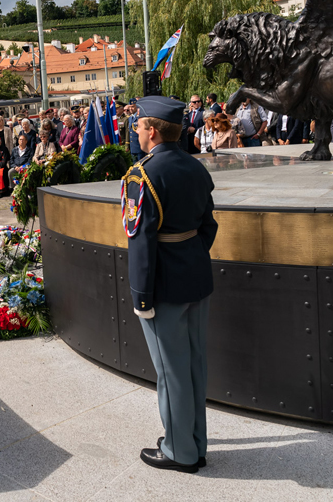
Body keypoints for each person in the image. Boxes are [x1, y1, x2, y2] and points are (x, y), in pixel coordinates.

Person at [124, 96, 218, 474]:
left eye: (139, 125)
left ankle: (180, 451)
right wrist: (190, 258)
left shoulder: (142, 175)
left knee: (171, 371)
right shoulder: (195, 168)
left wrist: (141, 295)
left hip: (162, 285)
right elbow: (208, 226)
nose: (137, 131)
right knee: (195, 365)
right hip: (196, 275)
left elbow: (141, 240)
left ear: (152, 130)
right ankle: (197, 442)